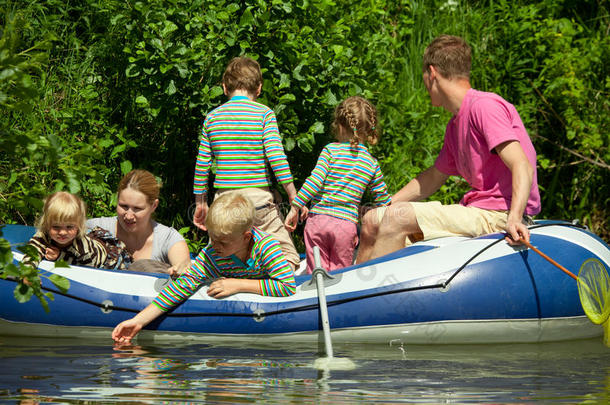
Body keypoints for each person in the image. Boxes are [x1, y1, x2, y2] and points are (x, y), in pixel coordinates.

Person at [356, 35, 541, 263]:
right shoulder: (455, 125)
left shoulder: (484, 107)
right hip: (475, 211)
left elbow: (521, 163)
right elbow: (434, 177)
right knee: (374, 219)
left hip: (500, 215)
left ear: (431, 73)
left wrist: (514, 217)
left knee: (396, 217)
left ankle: (375, 295)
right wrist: (387, 202)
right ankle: (352, 292)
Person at [112, 192, 296, 344]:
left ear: (246, 237)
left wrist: (238, 285)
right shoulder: (213, 254)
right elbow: (181, 287)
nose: (215, 245)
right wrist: (138, 321)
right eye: (212, 238)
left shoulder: (267, 247)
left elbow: (287, 286)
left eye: (222, 242)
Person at [191, 56, 300, 270]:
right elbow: (277, 158)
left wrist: (200, 203)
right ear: (258, 88)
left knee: (220, 255)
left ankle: (226, 282)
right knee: (288, 257)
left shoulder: (212, 118)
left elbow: (202, 166)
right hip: (258, 202)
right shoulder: (264, 114)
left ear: (224, 88)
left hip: (225, 205)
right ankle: (272, 283)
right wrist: (292, 195)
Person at [284, 96, 391, 272]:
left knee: (317, 273)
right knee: (340, 275)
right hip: (345, 226)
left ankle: (313, 297)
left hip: (318, 221)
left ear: (340, 125)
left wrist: (296, 207)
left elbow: (314, 181)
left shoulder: (330, 151)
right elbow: (383, 200)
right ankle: (339, 298)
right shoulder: (371, 163)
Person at [87, 169, 191, 274]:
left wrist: (180, 269)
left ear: (154, 206)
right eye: (124, 206)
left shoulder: (167, 239)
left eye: (137, 208)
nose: (128, 216)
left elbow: (183, 266)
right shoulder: (95, 228)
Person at [25, 191, 131, 270]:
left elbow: (87, 269)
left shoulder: (82, 246)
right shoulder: (44, 234)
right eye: (56, 227)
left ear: (79, 226)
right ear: (47, 224)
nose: (62, 232)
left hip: (103, 258)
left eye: (69, 227)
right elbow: (32, 251)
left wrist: (60, 257)